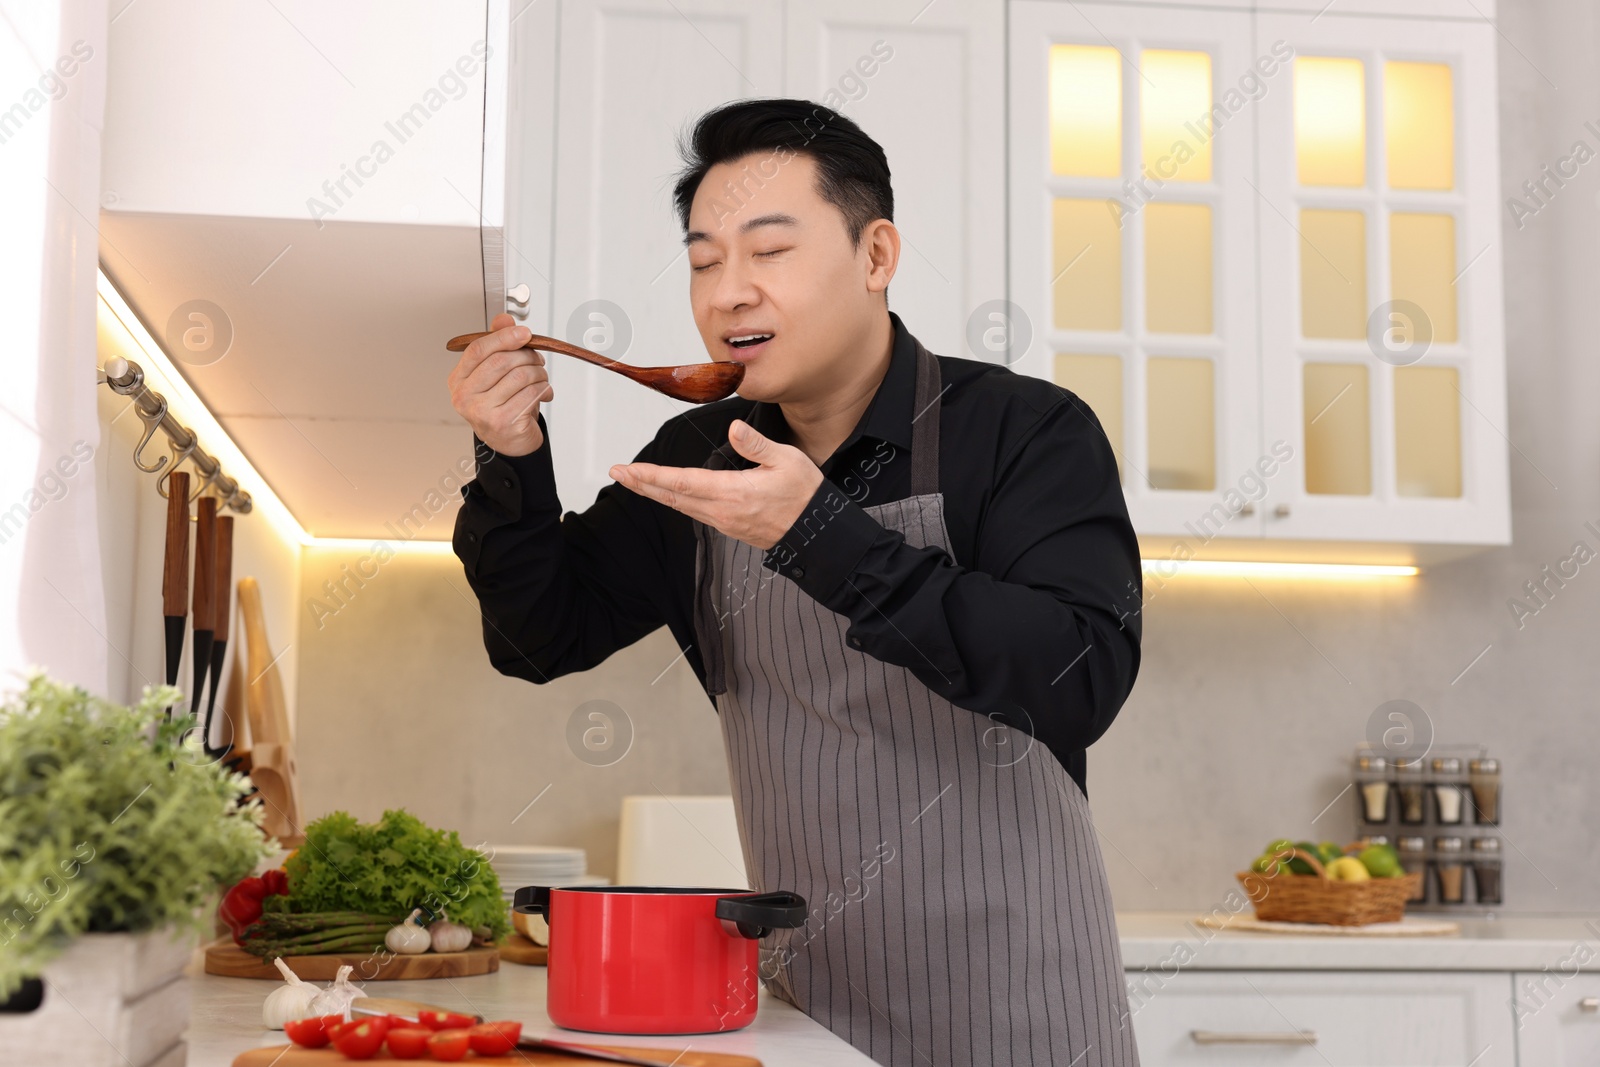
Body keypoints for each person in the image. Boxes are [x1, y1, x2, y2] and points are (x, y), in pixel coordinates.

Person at [449, 98, 1142, 1067]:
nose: (728, 292)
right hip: (800, 1001)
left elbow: (1077, 674)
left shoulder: (1022, 431)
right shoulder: (701, 452)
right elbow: (538, 637)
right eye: (702, 260)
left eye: (768, 252)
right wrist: (509, 457)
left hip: (1020, 1000)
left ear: (875, 255)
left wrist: (823, 537)